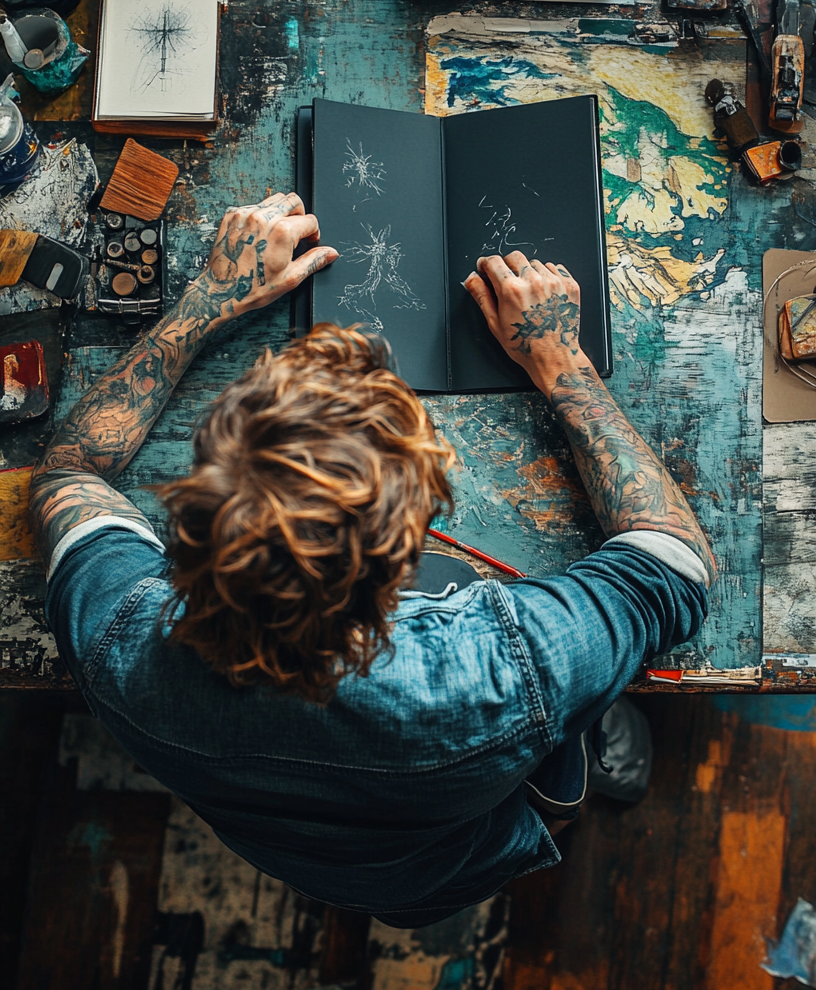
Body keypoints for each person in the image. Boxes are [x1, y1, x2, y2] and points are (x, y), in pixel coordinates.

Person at [31, 192, 715, 929]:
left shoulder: (116, 639)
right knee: (573, 726)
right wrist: (561, 360)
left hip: (299, 855)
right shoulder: (503, 672)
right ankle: (578, 756)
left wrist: (202, 305)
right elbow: (674, 562)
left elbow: (70, 473)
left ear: (194, 509)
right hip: (445, 867)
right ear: (408, 560)